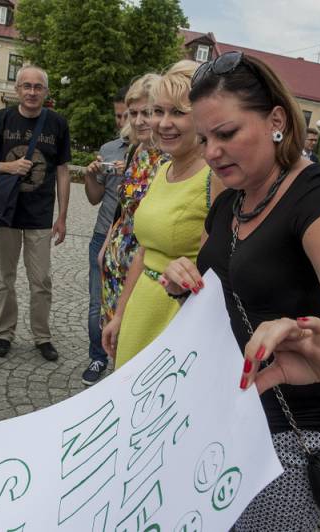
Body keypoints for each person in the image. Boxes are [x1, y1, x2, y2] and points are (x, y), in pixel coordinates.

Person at [160, 51, 320, 530]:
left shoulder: (318, 198)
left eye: (226, 134)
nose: (211, 152)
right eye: (204, 139)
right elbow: (220, 284)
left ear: (276, 121)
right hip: (228, 415)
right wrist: (181, 282)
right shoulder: (232, 198)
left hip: (291, 436)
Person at [102, 60, 224, 368]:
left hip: (178, 315)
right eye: (158, 111)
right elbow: (144, 252)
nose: (163, 123)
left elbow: (218, 267)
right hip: (141, 307)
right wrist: (120, 314)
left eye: (178, 113)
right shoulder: (164, 169)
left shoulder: (215, 177)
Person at [0, 65, 71, 362]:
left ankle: (42, 336)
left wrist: (62, 216)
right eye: (27, 86)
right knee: (5, 278)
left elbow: (62, 171)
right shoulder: (1, 119)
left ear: (46, 92)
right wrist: (9, 167)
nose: (32, 92)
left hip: (40, 214)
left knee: (41, 280)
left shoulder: (57, 124)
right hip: (5, 211)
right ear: (17, 89)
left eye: (38, 87)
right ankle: (4, 333)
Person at [99, 73, 164, 331]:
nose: (138, 121)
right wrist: (105, 247)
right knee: (111, 337)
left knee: (133, 336)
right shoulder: (136, 152)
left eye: (146, 113)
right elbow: (123, 208)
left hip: (143, 269)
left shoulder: (169, 160)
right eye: (133, 113)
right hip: (115, 264)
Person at [79, 86, 129, 385]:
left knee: (129, 306)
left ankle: (126, 363)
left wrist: (132, 173)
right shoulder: (109, 149)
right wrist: (90, 175)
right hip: (102, 235)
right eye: (118, 116)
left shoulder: (156, 152)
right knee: (97, 304)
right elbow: (94, 198)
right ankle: (97, 357)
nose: (122, 122)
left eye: (128, 115)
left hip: (133, 241)